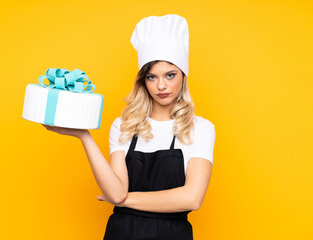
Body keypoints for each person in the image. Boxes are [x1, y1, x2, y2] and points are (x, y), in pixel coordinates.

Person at [43, 14, 216, 240]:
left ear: (183, 76)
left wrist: (126, 199)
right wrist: (84, 136)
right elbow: (115, 191)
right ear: (143, 81)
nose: (161, 85)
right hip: (122, 233)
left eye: (170, 75)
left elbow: (191, 198)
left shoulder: (200, 128)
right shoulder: (124, 126)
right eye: (152, 77)